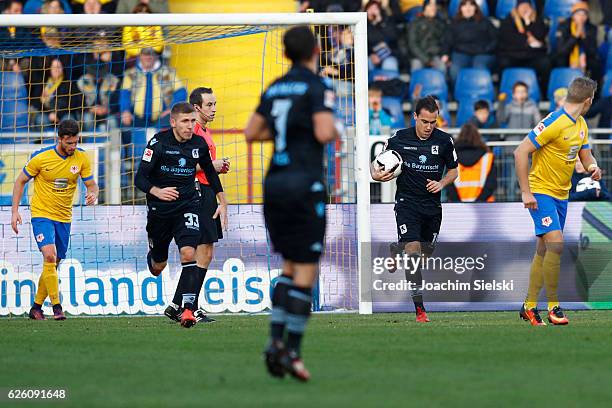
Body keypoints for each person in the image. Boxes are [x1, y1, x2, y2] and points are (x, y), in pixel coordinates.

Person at [244, 25, 339, 381]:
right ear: (315, 50)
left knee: (288, 266)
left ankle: (274, 343)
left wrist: (287, 131)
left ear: (285, 53)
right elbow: (324, 132)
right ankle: (293, 352)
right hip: (304, 182)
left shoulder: (275, 87)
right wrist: (333, 127)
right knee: (306, 269)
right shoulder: (318, 86)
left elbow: (252, 132)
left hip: (274, 183)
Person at [514, 77, 601, 326]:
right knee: (556, 245)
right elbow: (521, 151)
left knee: (544, 249)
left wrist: (593, 167)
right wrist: (526, 191)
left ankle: (529, 306)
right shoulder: (554, 122)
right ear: (588, 100)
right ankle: (554, 307)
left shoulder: (581, 124)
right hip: (541, 191)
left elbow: (586, 156)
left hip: (562, 194)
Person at [134, 102, 227, 329]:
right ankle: (155, 257)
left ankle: (187, 310)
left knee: (188, 252)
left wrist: (222, 200)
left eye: (193, 121)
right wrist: (157, 191)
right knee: (159, 266)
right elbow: (140, 178)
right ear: (173, 122)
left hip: (187, 205)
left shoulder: (199, 144)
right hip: (160, 210)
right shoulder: (158, 143)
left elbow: (209, 171)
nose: (190, 126)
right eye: (185, 121)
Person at [371, 95, 458, 323]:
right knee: (413, 252)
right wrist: (376, 175)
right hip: (407, 203)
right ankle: (420, 309)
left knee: (425, 255)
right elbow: (378, 165)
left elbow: (453, 171)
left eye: (433, 122)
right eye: (425, 121)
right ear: (415, 117)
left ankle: (395, 248)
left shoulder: (444, 141)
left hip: (432, 206)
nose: (429, 127)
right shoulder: (399, 139)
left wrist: (441, 183)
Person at [10, 119, 99, 320]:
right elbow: (20, 181)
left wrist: (94, 194)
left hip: (64, 217)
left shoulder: (81, 158)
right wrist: (14, 212)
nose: (73, 147)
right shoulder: (41, 158)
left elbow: (92, 185)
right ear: (60, 139)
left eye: (76, 142)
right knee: (49, 256)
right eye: (69, 143)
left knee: (53, 263)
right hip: (42, 214)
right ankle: (57, 307)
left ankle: (36, 308)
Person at [163, 87, 229, 324]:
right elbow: (185, 163)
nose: (214, 109)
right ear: (197, 107)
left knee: (206, 251)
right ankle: (187, 306)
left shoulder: (204, 133)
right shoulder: (192, 132)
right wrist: (213, 164)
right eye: (209, 104)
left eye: (215, 104)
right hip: (197, 192)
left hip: (207, 191)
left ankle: (179, 304)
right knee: (200, 250)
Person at [497, 0, 549, 91]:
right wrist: (527, 41)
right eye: (522, 6)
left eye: (527, 6)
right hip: (513, 55)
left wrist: (528, 22)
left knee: (545, 63)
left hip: (532, 56)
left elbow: (540, 35)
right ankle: (503, 92)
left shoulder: (537, 20)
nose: (525, 9)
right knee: (502, 63)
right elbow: (509, 39)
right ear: (517, 8)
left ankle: (544, 93)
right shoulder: (508, 20)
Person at [442, 0, 497, 83]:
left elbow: (495, 39)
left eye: (471, 5)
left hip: (482, 53)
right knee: (455, 70)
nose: (468, 8)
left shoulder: (485, 22)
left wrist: (486, 49)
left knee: (479, 69)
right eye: (465, 5)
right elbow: (448, 40)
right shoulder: (454, 23)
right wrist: (445, 54)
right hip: (461, 53)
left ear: (475, 8)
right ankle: (457, 93)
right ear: (461, 8)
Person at [446, 123, 496, 202]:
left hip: (458, 208)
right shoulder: (487, 157)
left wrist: (459, 204)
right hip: (485, 207)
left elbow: (449, 185)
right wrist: (478, 202)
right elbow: (491, 185)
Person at [554, 2, 601, 82]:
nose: (581, 17)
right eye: (578, 14)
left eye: (584, 14)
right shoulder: (563, 26)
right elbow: (561, 51)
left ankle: (593, 92)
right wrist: (575, 36)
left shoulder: (591, 28)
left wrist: (583, 37)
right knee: (559, 61)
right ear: (573, 15)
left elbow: (592, 51)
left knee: (595, 64)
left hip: (585, 58)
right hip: (567, 55)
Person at [407, 0, 447, 73]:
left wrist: (444, 54)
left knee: (442, 68)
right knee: (416, 69)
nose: (433, 8)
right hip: (418, 55)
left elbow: (444, 41)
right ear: (425, 7)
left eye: (435, 5)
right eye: (430, 5)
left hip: (435, 55)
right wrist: (426, 60)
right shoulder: (415, 23)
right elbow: (412, 44)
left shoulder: (440, 23)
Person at [365, 0, 400, 71]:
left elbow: (393, 38)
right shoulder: (363, 26)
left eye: (375, 9)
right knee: (367, 62)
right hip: (371, 55)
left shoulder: (387, 22)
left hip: (389, 54)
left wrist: (380, 23)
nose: (372, 11)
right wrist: (371, 54)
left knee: (390, 63)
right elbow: (363, 45)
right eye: (370, 9)